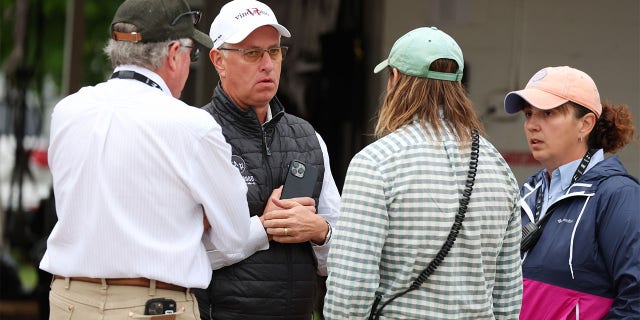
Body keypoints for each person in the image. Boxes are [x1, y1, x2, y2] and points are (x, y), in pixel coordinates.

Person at [38, 0, 280, 318]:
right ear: (174, 54)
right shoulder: (193, 125)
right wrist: (248, 222)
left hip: (69, 300)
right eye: (192, 53)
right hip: (152, 305)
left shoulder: (66, 111)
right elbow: (233, 236)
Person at [324, 27, 523, 319]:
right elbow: (507, 294)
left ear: (395, 80)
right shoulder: (498, 167)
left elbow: (351, 291)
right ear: (458, 86)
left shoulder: (376, 163)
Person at [194, 0, 341, 319]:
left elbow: (341, 256)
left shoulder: (309, 138)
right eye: (252, 53)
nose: (267, 64)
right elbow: (181, 250)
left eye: (274, 52)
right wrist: (263, 227)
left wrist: (319, 230)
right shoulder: (196, 134)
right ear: (218, 60)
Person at [504, 66, 640, 319]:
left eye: (548, 113)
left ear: (585, 124)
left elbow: (635, 300)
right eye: (528, 114)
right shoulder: (526, 193)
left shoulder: (618, 195)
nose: (532, 125)